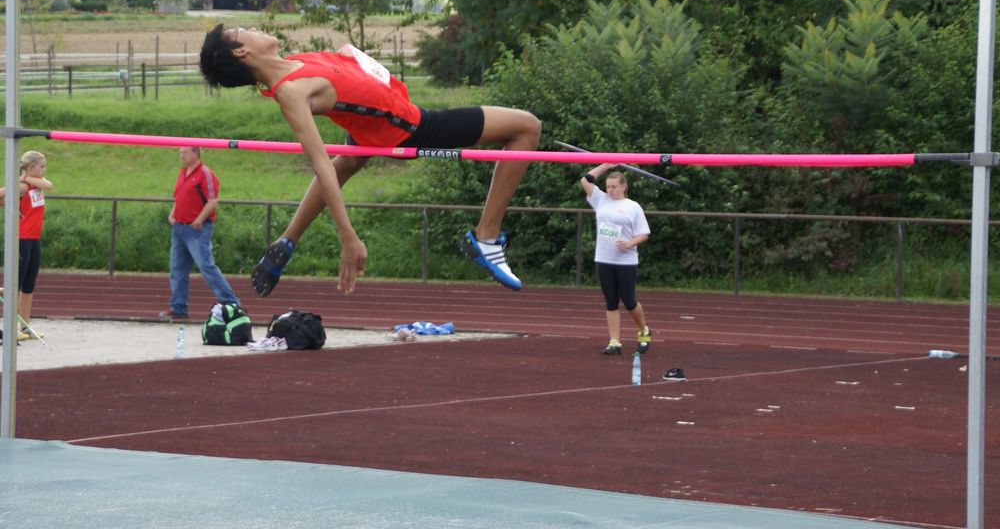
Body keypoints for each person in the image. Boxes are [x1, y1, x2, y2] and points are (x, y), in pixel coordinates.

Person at [199, 25, 541, 295]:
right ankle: (486, 234)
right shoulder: (290, 91)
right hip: (413, 126)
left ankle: (288, 239)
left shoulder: (296, 61)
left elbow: (345, 73)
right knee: (527, 127)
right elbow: (320, 164)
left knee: (349, 160)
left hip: (371, 125)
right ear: (241, 51)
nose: (253, 28)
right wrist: (349, 237)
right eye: (242, 30)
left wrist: (353, 56)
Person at [159, 146, 240, 320]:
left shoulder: (205, 173)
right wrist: (172, 214)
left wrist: (199, 220)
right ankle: (178, 307)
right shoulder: (183, 173)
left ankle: (231, 302)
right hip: (179, 227)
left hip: (197, 229)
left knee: (206, 266)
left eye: (185, 152)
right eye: (180, 152)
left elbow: (212, 201)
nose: (181, 155)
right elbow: (179, 197)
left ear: (196, 153)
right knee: (177, 269)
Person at [580, 162, 652, 355]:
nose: (610, 190)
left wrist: (630, 243)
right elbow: (585, 180)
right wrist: (606, 163)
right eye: (608, 187)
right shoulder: (600, 200)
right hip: (604, 259)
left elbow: (644, 234)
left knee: (629, 300)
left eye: (613, 186)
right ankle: (615, 341)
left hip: (626, 261)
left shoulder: (633, 207)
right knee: (611, 301)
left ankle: (643, 330)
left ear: (623, 186)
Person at [0, 150, 53, 341]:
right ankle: (11, 327)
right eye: (41, 166)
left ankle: (25, 326)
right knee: (16, 284)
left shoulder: (36, 183)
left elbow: (49, 184)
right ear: (31, 167)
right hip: (21, 239)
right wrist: (8, 203)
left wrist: (27, 177)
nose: (44, 169)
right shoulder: (22, 186)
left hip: (34, 240)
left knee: (29, 286)